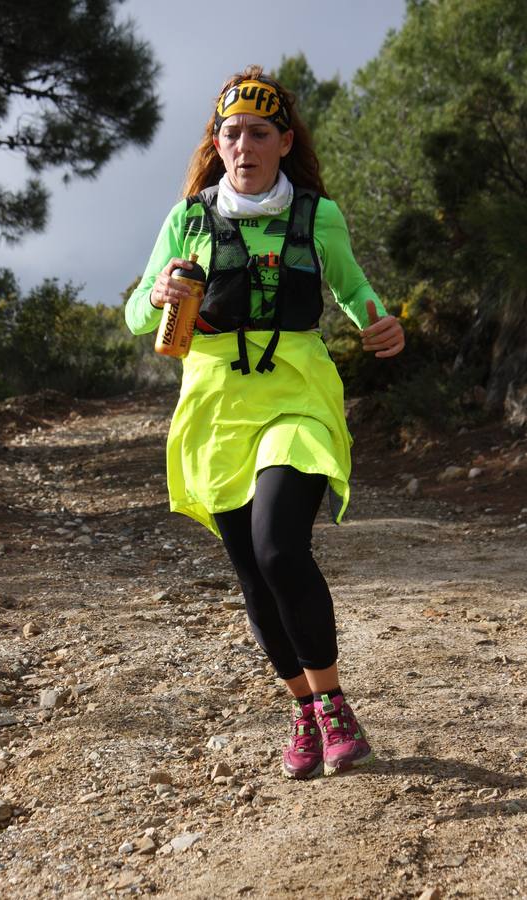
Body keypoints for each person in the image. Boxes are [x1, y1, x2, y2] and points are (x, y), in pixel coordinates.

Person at [126, 65, 404, 779]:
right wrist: (156, 295)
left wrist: (379, 325)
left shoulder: (318, 215)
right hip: (214, 405)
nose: (243, 145)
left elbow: (353, 289)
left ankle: (335, 703)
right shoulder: (188, 217)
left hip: (297, 393)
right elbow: (135, 314)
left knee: (280, 548)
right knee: (251, 571)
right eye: (230, 133)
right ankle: (305, 711)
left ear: (284, 141)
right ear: (216, 144)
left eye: (258, 132)